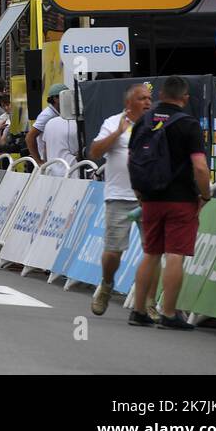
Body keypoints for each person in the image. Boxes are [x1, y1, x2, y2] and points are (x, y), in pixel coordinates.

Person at [127, 75, 210, 330]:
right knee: (175, 253)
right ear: (184, 98)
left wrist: (140, 192)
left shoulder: (143, 121)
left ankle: (138, 310)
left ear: (161, 95)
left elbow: (132, 159)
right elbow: (200, 167)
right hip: (181, 199)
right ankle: (169, 313)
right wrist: (205, 195)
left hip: (150, 197)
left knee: (151, 253)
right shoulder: (189, 125)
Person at [87, 83, 152, 315]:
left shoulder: (157, 124)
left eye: (149, 98)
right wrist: (118, 133)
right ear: (128, 103)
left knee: (153, 253)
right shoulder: (113, 123)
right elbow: (94, 152)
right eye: (142, 98)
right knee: (114, 251)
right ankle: (106, 284)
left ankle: (148, 303)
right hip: (119, 196)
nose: (147, 102)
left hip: (149, 198)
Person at [26, 83, 67, 163]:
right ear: (55, 98)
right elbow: (30, 137)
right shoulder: (47, 115)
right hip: (49, 162)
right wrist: (38, 161)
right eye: (65, 96)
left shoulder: (61, 112)